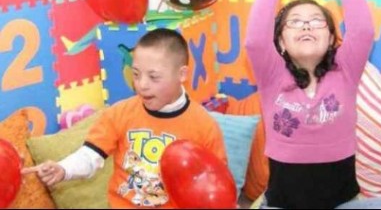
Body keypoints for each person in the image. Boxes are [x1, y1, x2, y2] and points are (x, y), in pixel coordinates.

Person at [245, 0, 376, 208]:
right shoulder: (272, 74)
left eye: (317, 20)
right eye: (295, 21)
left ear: (331, 38)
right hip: (283, 200)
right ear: (280, 42)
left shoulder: (345, 69)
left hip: (343, 200)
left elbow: (363, 30)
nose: (306, 24)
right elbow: (255, 40)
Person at [22, 28, 227, 208]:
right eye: (136, 74)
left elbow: (215, 186)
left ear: (182, 74)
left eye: (153, 77)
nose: (141, 85)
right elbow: (90, 156)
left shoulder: (204, 126)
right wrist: (63, 169)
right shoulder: (120, 113)